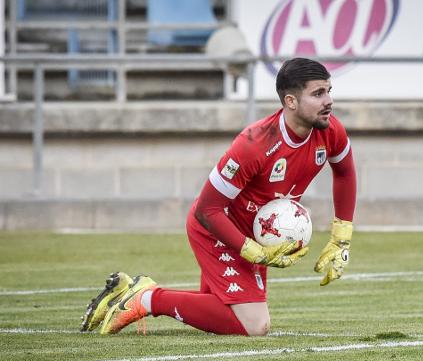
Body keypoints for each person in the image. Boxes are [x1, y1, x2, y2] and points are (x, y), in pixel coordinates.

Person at [80, 58, 357, 336]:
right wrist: (250, 249)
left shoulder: (331, 130)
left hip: (253, 231)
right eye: (318, 93)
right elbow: (207, 209)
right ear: (291, 101)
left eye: (329, 91)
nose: (328, 101)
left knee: (222, 313)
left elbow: (344, 173)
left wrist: (340, 237)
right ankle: (146, 298)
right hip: (217, 228)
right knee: (254, 325)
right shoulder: (255, 144)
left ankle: (133, 293)